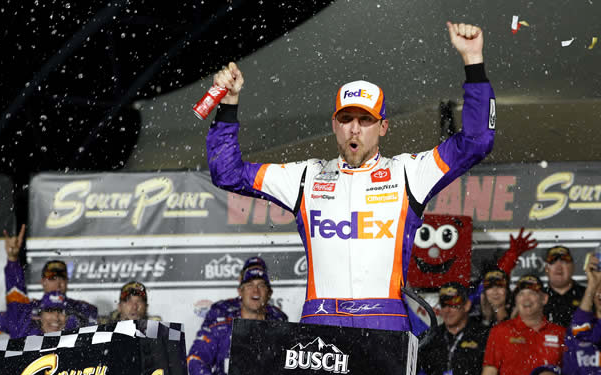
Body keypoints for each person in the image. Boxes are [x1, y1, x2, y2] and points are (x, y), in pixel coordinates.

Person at [205, 22, 494, 333]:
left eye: (365, 119)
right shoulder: (306, 176)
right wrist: (228, 104)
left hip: (385, 318)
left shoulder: (409, 172)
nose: (354, 128)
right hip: (322, 319)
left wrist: (473, 62)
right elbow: (227, 173)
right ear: (334, 124)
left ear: (383, 127)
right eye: (346, 118)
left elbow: (477, 142)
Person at [187, 258, 288, 375]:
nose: (255, 291)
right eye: (249, 285)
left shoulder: (279, 320)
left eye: (261, 285)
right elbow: (195, 359)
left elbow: (288, 369)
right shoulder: (221, 316)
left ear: (269, 293)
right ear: (240, 291)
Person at [0, 225, 97, 335]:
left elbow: (98, 324)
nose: (58, 283)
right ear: (43, 282)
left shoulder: (80, 309)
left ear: (67, 282)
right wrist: (12, 260)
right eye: (52, 278)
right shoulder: (25, 312)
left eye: (62, 278)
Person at [479, 274, 566, 375]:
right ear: (515, 300)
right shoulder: (500, 331)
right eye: (521, 294)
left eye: (532, 293)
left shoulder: (560, 333)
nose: (526, 299)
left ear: (544, 299)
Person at [418, 282, 490, 375]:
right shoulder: (430, 337)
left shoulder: (483, 335)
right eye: (444, 304)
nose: (447, 310)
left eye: (453, 304)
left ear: (467, 305)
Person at [542, 245, 585, 328]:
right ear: (546, 269)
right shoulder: (537, 298)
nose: (559, 266)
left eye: (564, 261)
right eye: (553, 261)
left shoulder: (587, 295)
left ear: (573, 267)